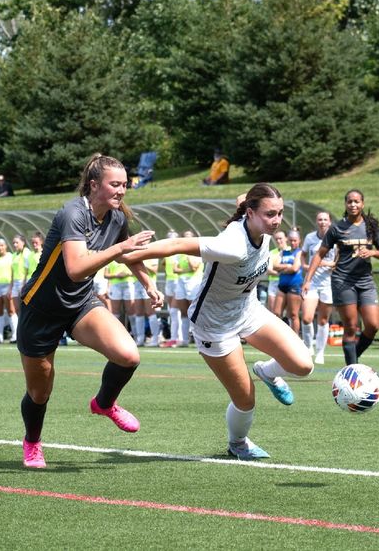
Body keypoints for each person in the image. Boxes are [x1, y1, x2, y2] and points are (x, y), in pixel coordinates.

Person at [125, 182, 313, 460]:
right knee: (246, 401)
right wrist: (126, 254)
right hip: (214, 325)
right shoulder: (232, 246)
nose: (276, 221)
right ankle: (238, 443)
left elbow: (243, 198)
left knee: (303, 365)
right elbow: (176, 245)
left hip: (248, 310)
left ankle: (267, 372)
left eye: (280, 213)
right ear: (250, 213)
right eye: (270, 214)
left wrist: (252, 202)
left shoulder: (254, 218)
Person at [16, 153, 161, 468]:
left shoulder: (117, 216)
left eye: (124, 185)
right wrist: (120, 248)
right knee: (39, 392)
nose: (121, 191)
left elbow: (128, 254)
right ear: (94, 185)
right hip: (41, 308)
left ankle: (104, 403)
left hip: (80, 304)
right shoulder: (73, 213)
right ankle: (32, 442)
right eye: (115, 184)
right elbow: (76, 269)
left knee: (128, 355)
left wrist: (148, 284)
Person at [302, 189, 379, 366]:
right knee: (351, 327)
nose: (353, 205)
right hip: (343, 281)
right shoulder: (337, 228)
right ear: (345, 204)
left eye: (357, 201)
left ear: (362, 204)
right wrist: (308, 279)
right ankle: (352, 369)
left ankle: (353, 358)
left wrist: (372, 251)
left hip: (365, 281)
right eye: (350, 202)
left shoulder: (371, 226)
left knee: (373, 325)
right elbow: (319, 255)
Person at [301, 212, 336, 365]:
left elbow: (337, 262)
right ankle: (309, 346)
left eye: (325, 220)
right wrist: (305, 266)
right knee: (307, 317)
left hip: (328, 283)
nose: (322, 222)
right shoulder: (310, 238)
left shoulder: (335, 238)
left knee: (323, 320)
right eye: (320, 219)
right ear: (316, 222)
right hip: (312, 282)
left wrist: (322, 264)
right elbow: (303, 255)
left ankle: (321, 351)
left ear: (330, 222)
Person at [173, 231, 204, 347]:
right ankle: (184, 340)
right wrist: (185, 270)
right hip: (181, 282)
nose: (187, 240)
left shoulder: (198, 252)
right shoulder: (179, 253)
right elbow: (175, 269)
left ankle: (198, 340)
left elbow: (194, 267)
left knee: (195, 312)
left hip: (194, 283)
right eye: (185, 237)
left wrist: (187, 256)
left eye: (189, 237)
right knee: (183, 312)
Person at [273, 229, 304, 335]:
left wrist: (282, 270)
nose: (293, 243)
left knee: (294, 314)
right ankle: (280, 337)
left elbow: (295, 268)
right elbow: (275, 266)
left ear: (299, 240)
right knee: (276, 313)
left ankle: (296, 338)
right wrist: (287, 266)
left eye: (295, 240)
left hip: (294, 285)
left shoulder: (299, 252)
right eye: (291, 240)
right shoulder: (283, 252)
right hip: (282, 285)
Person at [132, 257, 162, 347]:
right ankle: (140, 339)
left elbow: (154, 270)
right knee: (138, 313)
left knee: (150, 312)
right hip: (136, 283)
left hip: (149, 284)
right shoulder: (135, 253)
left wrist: (142, 264)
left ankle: (155, 339)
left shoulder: (151, 254)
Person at [9, 234, 32, 343]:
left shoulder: (27, 253)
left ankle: (26, 334)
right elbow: (12, 273)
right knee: (14, 310)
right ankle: (16, 335)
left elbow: (27, 271)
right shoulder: (14, 255)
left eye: (17, 242)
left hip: (24, 283)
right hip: (15, 283)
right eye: (13, 243)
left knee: (24, 310)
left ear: (23, 242)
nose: (14, 245)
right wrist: (11, 287)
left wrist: (24, 285)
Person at [161, 230, 181, 347]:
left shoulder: (179, 253)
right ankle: (175, 337)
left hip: (178, 281)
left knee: (175, 311)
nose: (170, 240)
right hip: (170, 281)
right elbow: (164, 265)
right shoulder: (166, 253)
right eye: (169, 237)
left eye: (173, 237)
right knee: (172, 311)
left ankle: (176, 337)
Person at [266, 230, 287, 314]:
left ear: (286, 238)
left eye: (280, 238)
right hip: (273, 284)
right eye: (276, 239)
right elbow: (268, 270)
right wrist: (282, 270)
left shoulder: (291, 251)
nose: (278, 241)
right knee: (273, 312)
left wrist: (276, 267)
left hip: (287, 283)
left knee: (287, 313)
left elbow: (293, 268)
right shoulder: (272, 253)